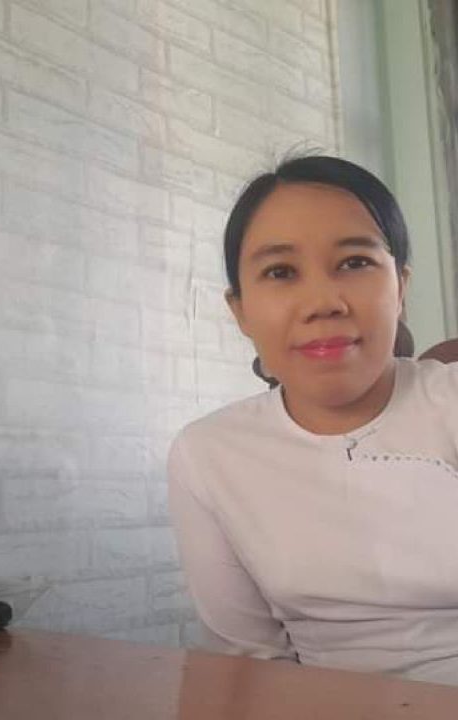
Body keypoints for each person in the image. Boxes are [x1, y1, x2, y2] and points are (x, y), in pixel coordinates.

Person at [168, 155, 458, 687]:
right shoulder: (208, 454)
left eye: (355, 262)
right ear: (241, 311)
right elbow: (247, 665)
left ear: (400, 288)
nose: (323, 303)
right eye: (280, 272)